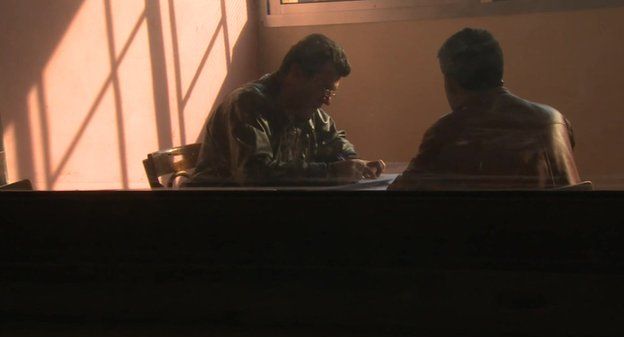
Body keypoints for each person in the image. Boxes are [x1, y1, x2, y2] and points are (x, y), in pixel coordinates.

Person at [389, 28, 581, 190]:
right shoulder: (555, 121)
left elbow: (400, 195)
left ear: (450, 82)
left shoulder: (446, 133)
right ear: (499, 73)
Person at [187, 33, 385, 187]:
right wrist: (330, 173)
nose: (327, 101)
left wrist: (355, 163)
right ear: (296, 74)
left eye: (331, 93)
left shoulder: (311, 113)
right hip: (215, 215)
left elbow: (336, 144)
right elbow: (255, 173)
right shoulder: (247, 104)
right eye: (324, 89)